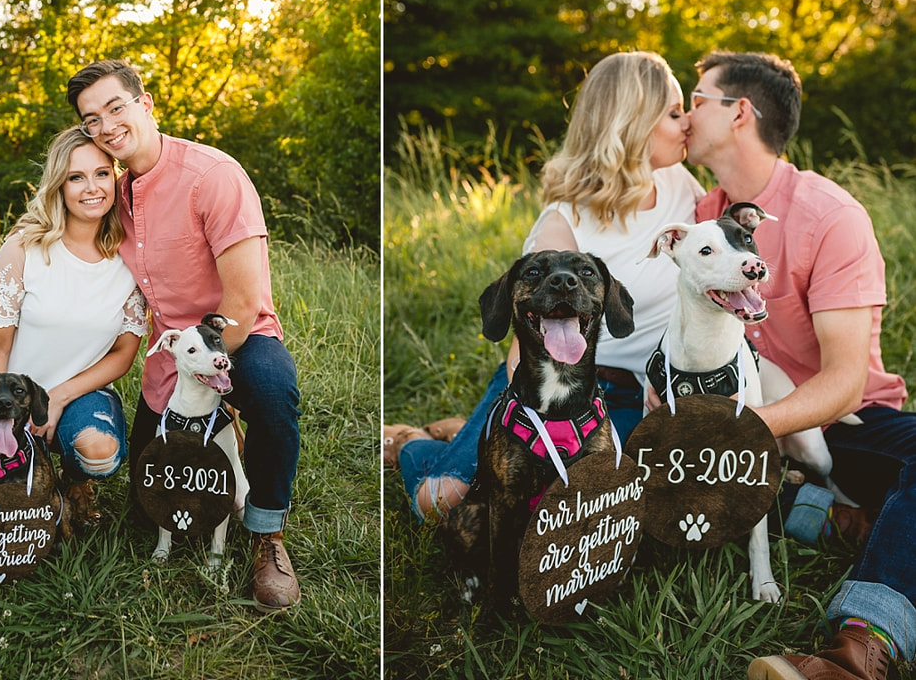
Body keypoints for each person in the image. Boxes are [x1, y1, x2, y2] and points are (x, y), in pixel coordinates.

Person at [384, 50, 703, 523]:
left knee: (599, 515)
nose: (688, 123)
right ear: (632, 122)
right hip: (555, 383)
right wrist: (528, 418)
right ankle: (413, 443)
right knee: (443, 503)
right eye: (674, 113)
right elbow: (528, 333)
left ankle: (457, 432)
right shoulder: (565, 218)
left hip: (642, 395)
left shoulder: (683, 187)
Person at [680, 51, 914, 680]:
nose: (683, 110)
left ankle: (856, 655)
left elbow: (843, 382)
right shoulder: (700, 218)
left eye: (697, 98)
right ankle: (845, 520)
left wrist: (751, 426)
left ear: (739, 113)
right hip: (732, 422)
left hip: (843, 420)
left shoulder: (830, 216)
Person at [65, 59, 303, 613]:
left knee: (272, 393)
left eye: (115, 107)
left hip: (234, 342)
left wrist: (207, 387)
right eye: (91, 119)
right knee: (148, 504)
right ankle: (223, 445)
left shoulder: (213, 175)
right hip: (168, 359)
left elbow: (243, 303)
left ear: (146, 104)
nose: (105, 125)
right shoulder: (114, 194)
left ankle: (267, 535)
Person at [0, 128, 148, 549]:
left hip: (81, 394)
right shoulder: (23, 249)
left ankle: (75, 482)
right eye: (76, 177)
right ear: (58, 185)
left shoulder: (130, 258)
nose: (91, 188)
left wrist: (60, 396)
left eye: (102, 174)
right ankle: (23, 484)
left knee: (98, 450)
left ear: (115, 180)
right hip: (9, 398)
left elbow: (123, 354)